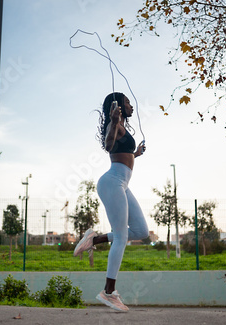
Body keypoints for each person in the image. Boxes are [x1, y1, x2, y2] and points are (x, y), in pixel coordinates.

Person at [73, 92, 149, 312]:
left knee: (141, 230)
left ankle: (94, 239)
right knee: (122, 236)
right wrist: (114, 122)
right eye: (127, 102)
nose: (130, 106)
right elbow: (108, 145)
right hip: (112, 182)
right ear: (116, 106)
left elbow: (121, 153)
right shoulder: (113, 125)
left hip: (122, 183)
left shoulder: (122, 126)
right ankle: (108, 292)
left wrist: (136, 154)